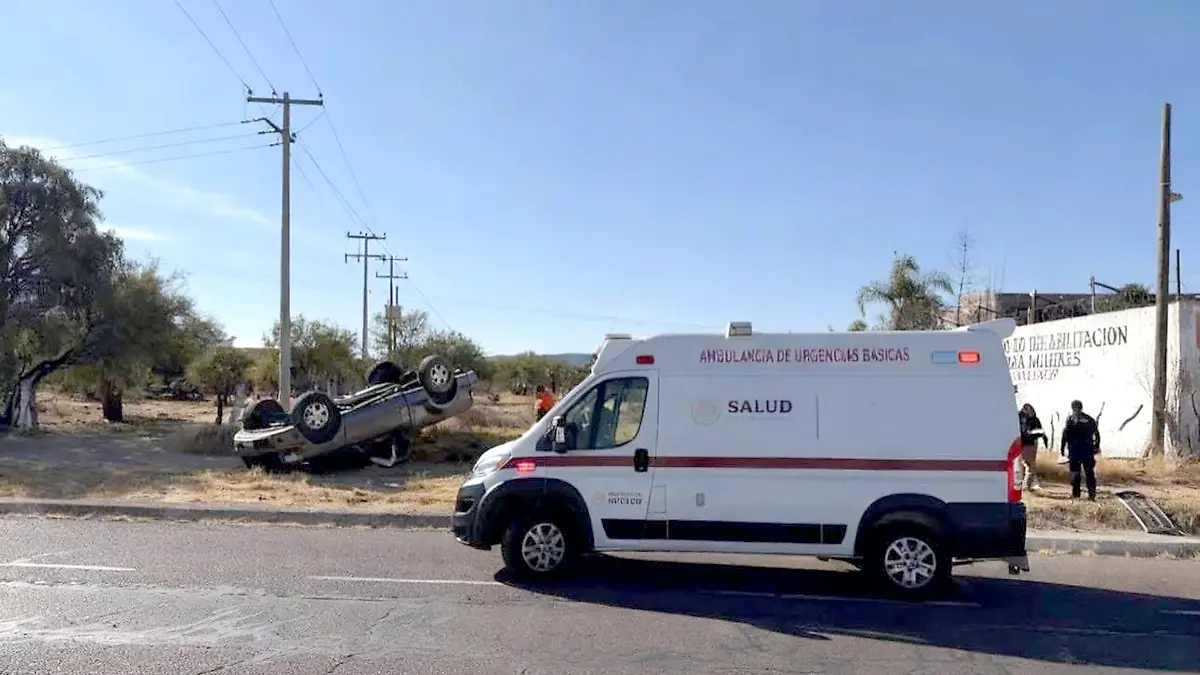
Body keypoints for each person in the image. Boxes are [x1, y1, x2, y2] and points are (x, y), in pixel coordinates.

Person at [1060, 399, 1101, 500]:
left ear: (1072, 408)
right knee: (1089, 473)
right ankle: (1091, 494)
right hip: (1087, 450)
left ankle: (1076, 495)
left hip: (1075, 451)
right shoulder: (1089, 419)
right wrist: (1096, 446)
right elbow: (1097, 434)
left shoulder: (1070, 419)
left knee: (1075, 473)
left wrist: (1062, 449)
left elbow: (1065, 435)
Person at [1017, 403, 1048, 490]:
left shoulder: (1033, 419)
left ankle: (1025, 484)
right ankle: (1026, 485)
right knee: (1027, 466)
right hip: (1024, 444)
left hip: (1028, 444)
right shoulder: (1019, 418)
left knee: (1026, 465)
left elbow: (1041, 431)